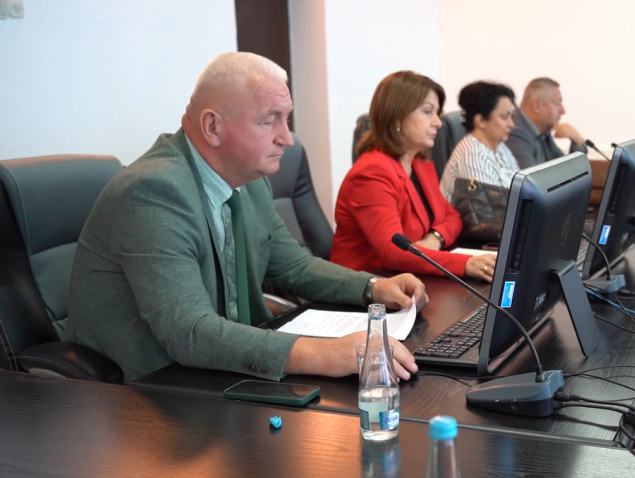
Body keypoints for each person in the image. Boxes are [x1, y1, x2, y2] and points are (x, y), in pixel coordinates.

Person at [65, 52, 425, 382]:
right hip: (149, 390)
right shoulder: (152, 192)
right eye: (269, 121)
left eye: (286, 119)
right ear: (213, 127)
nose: (286, 138)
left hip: (223, 368)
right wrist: (326, 353)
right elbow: (189, 331)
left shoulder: (249, 180)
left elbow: (294, 266)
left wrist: (373, 287)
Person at [331, 71, 497, 282]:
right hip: (367, 286)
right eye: (428, 112)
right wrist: (465, 264)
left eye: (437, 113)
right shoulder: (371, 173)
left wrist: (435, 238)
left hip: (408, 279)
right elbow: (393, 252)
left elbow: (452, 216)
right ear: (397, 116)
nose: (438, 122)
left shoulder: (418, 163)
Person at [440, 81, 519, 201]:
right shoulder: (472, 156)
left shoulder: (500, 147)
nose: (511, 124)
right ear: (481, 121)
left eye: (511, 116)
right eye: (504, 117)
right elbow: (488, 209)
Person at [507, 77, 588, 169]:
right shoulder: (515, 133)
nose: (563, 111)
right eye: (557, 103)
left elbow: (566, 171)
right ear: (537, 106)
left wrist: (578, 144)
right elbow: (531, 178)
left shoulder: (542, 131)